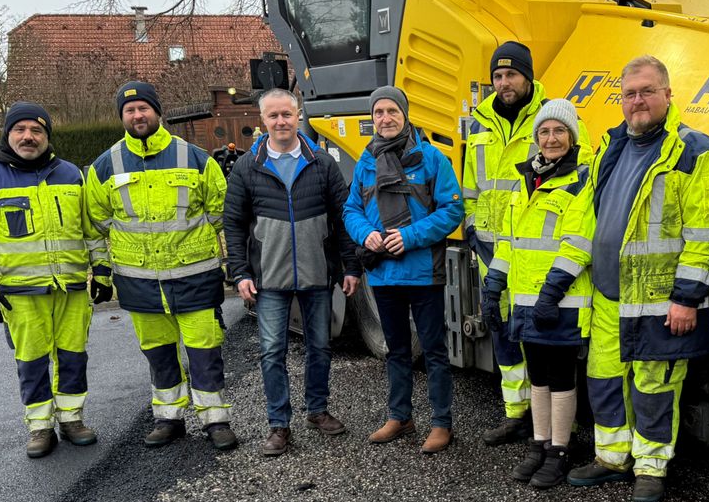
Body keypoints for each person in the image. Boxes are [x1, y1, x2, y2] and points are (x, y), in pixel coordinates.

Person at [566, 56, 709, 502]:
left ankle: (651, 467)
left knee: (654, 387)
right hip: (609, 296)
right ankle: (612, 459)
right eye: (630, 93)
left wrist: (688, 297)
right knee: (605, 378)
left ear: (668, 95)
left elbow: (703, 232)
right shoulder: (611, 147)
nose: (638, 101)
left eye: (647, 91)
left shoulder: (696, 151)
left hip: (658, 299)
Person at [85, 81, 237, 450]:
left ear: (158, 111)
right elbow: (95, 223)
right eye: (130, 111)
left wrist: (230, 257)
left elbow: (223, 212)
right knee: (158, 352)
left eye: (143, 108)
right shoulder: (106, 165)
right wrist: (104, 270)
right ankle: (168, 418)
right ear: (121, 117)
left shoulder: (197, 158)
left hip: (195, 275)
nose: (138, 116)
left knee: (204, 350)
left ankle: (215, 420)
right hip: (139, 281)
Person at [0, 103, 108, 457]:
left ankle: (71, 419)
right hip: (20, 294)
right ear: (7, 135)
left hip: (70, 290)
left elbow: (92, 231)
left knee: (73, 357)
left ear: (47, 137)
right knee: (32, 361)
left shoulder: (72, 174)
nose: (28, 137)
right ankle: (40, 426)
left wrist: (101, 270)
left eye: (37, 131)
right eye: (20, 130)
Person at [462, 41, 591, 447]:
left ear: (528, 76)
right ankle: (517, 415)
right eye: (497, 76)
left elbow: (581, 171)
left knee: (544, 342)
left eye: (511, 74)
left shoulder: (553, 116)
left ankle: (554, 431)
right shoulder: (479, 121)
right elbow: (471, 185)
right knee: (504, 334)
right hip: (495, 250)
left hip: (542, 256)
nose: (504, 83)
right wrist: (471, 229)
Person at [223, 88, 362, 455]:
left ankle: (317, 410)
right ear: (263, 121)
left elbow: (343, 218)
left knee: (320, 346)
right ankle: (278, 425)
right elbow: (234, 224)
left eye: (287, 114)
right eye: (273, 116)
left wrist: (350, 266)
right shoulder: (247, 166)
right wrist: (240, 273)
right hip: (268, 277)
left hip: (317, 274)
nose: (281, 121)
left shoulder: (322, 162)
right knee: (272, 351)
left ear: (298, 115)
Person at [343, 86, 464, 454]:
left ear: (405, 115)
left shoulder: (432, 159)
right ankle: (401, 417)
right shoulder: (365, 162)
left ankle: (441, 423)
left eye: (392, 111)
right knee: (395, 350)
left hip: (423, 272)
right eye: (378, 112)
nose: (385, 118)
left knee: (433, 350)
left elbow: (452, 211)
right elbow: (351, 211)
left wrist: (408, 236)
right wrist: (368, 236)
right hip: (383, 274)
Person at [480, 98, 594, 489]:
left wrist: (551, 293)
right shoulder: (525, 181)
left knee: (562, 378)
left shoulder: (580, 181)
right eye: (544, 131)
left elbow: (578, 243)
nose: (551, 138)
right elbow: (509, 243)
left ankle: (560, 450)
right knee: (538, 377)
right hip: (527, 302)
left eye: (559, 131)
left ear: (572, 136)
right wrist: (493, 286)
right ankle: (539, 443)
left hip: (560, 301)